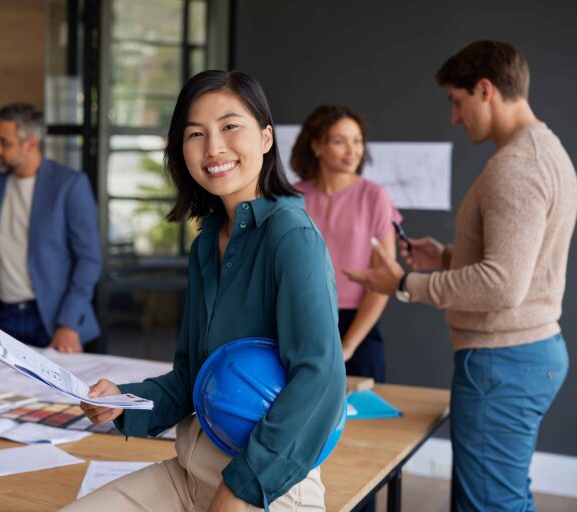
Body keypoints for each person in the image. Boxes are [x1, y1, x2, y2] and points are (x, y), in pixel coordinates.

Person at [63, 70, 346, 512]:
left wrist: (239, 490)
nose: (213, 147)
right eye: (196, 133)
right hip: (188, 472)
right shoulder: (206, 246)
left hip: (267, 485)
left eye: (230, 126)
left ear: (266, 139)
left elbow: (321, 382)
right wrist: (120, 402)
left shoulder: (292, 236)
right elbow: (191, 377)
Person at [344, 40, 576, 511]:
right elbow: (521, 266)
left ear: (485, 89)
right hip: (524, 356)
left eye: (457, 101)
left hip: (501, 363)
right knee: (503, 498)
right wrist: (447, 256)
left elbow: (504, 285)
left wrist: (404, 285)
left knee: (489, 506)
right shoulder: (546, 150)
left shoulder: (515, 167)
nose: (454, 117)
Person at [0, 102, 102, 352]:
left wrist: (68, 323)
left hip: (55, 319)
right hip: (3, 316)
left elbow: (89, 259)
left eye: (4, 142)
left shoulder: (70, 185)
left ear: (30, 144)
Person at [291, 105, 400, 382]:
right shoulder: (291, 197)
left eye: (357, 141)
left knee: (365, 420)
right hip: (301, 321)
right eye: (340, 141)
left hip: (359, 327)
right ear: (316, 146)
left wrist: (348, 345)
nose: (352, 150)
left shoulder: (375, 196)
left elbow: (384, 279)